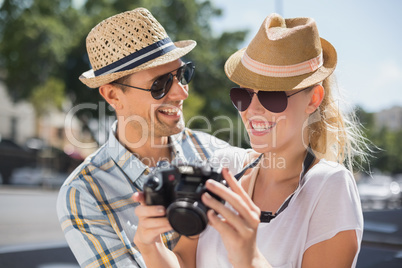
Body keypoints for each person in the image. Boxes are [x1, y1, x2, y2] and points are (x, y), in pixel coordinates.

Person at [133, 13, 368, 268]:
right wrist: (150, 246)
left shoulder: (330, 185)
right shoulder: (225, 166)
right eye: (243, 95)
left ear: (313, 99)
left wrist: (249, 258)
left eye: (272, 96)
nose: (252, 110)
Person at [57, 8, 230, 267]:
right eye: (160, 84)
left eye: (183, 75)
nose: (182, 93)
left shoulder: (218, 154)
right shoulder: (84, 193)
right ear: (113, 96)